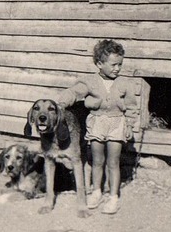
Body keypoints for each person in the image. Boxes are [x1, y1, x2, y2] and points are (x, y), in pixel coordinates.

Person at [59, 39, 140, 215]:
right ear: (99, 64)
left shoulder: (125, 83)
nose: (117, 68)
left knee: (113, 161)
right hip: (96, 123)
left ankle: (113, 197)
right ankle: (96, 192)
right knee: (96, 161)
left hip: (117, 123)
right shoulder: (89, 81)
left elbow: (132, 107)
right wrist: (62, 102)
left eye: (120, 64)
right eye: (113, 65)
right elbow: (74, 91)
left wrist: (130, 125)